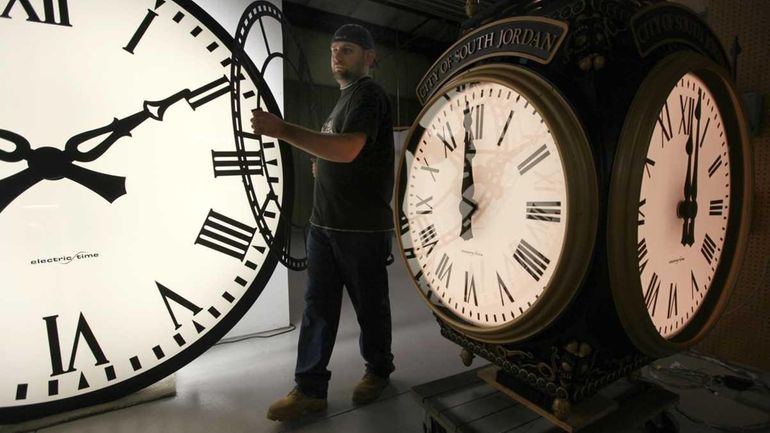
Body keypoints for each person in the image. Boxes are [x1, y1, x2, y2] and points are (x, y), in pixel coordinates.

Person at [250, 23, 395, 422]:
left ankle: (379, 370)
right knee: (318, 307)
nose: (336, 56)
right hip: (325, 224)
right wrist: (322, 165)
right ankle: (310, 389)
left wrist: (282, 130)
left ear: (369, 58)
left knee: (370, 307)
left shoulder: (368, 95)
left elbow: (348, 150)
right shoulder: (343, 100)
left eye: (347, 50)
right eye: (334, 49)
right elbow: (340, 151)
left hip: (360, 226)